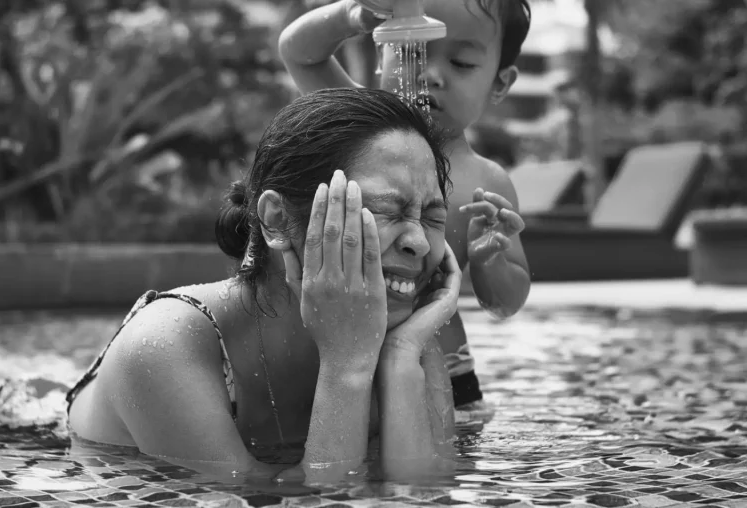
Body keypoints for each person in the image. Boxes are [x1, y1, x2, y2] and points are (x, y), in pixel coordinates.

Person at [59, 88, 463, 482]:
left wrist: (400, 355)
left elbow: (423, 494)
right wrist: (348, 362)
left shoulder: (403, 332)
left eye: (432, 217)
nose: (420, 242)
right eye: (387, 210)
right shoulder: (164, 344)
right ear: (277, 219)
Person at [278, 0, 534, 425]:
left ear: (500, 83)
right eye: (412, 47)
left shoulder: (488, 182)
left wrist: (492, 259)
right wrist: (354, 16)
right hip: (331, 366)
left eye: (461, 62)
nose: (431, 74)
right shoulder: (352, 123)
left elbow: (506, 303)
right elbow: (298, 50)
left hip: (443, 374)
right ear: (381, 54)